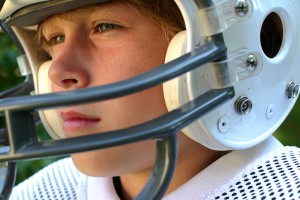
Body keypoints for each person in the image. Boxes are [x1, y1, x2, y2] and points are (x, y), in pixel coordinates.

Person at [0, 0, 299, 199]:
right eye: (55, 39)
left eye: (105, 27)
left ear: (232, 44)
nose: (57, 71)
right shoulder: (42, 192)